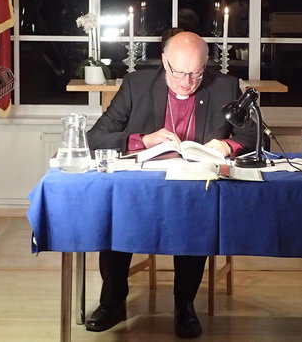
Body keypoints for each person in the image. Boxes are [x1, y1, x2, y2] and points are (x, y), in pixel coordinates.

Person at [85, 31, 257, 338]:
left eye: (196, 73)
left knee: (194, 219)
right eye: (178, 73)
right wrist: (142, 140)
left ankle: (185, 306)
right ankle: (112, 302)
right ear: (164, 62)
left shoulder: (225, 86)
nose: (187, 83)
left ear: (207, 64)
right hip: (142, 186)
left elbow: (255, 136)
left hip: (194, 187)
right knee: (117, 216)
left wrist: (228, 145)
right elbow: (96, 138)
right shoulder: (137, 85)